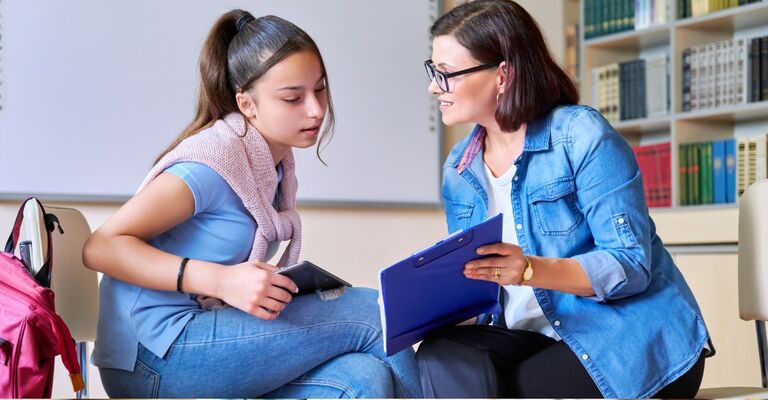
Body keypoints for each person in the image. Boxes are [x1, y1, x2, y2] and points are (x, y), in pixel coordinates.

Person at [82, 10, 421, 398]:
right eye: (293, 97)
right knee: (372, 313)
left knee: (362, 379)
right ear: (246, 104)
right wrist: (222, 280)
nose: (316, 109)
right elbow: (101, 246)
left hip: (202, 338)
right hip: (151, 358)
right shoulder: (211, 164)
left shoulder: (272, 167)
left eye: (321, 90)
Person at [415, 1, 712, 398]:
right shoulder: (460, 168)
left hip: (625, 335)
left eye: (447, 74)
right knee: (440, 356)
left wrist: (529, 270)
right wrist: (426, 305)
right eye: (434, 71)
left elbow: (631, 265)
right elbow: (485, 288)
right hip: (535, 339)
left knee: (520, 389)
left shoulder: (581, 135)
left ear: (503, 74)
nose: (434, 86)